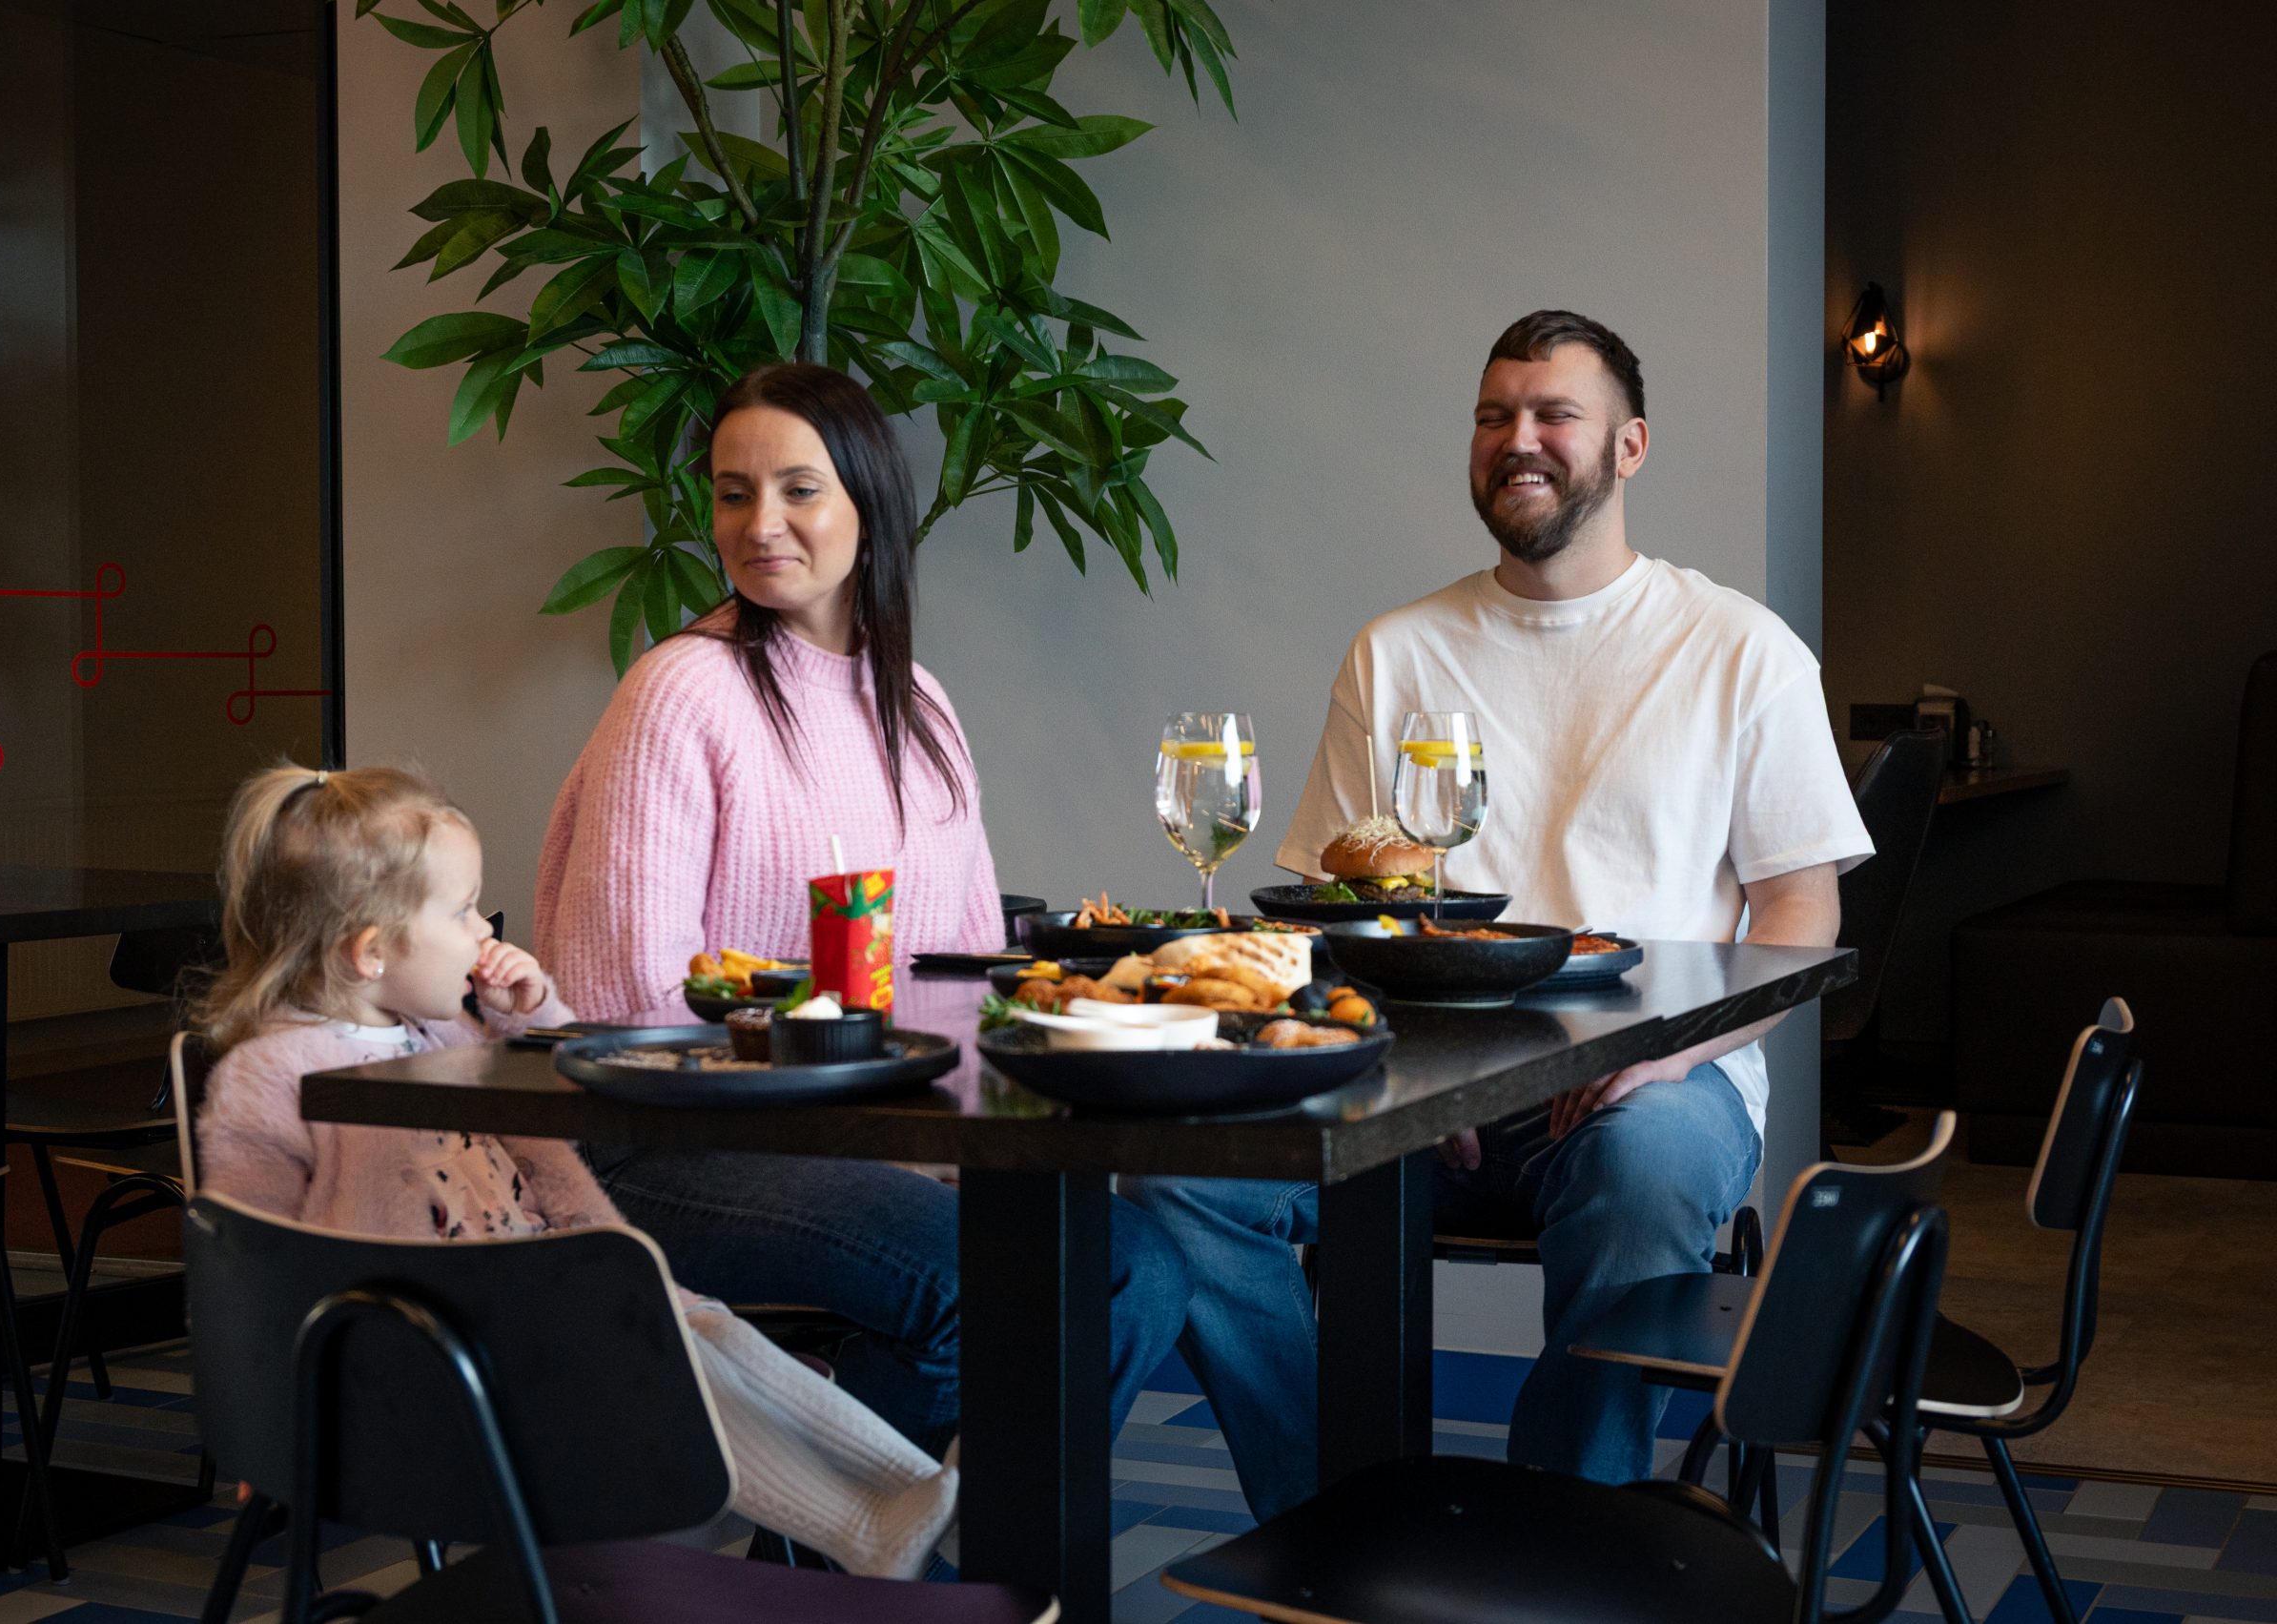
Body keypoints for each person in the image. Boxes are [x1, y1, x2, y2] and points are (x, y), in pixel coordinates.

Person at [1122, 310, 1873, 1518]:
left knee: (1643, 1170)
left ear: (1628, 446)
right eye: (1492, 416)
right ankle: (1339, 1515)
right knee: (1183, 1180)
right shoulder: (1397, 649)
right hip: (1419, 1085)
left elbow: (1800, 907)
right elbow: (1337, 905)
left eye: (1552, 415)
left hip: (1653, 1081)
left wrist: (1668, 1050)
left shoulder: (1739, 648)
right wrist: (1411, 1065)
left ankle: (1554, 1544)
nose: (1516, 439)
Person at [534, 362, 1188, 1451]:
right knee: (980, 1280)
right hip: (665, 1146)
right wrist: (869, 1139)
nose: (760, 523)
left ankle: (948, 1535)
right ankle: (869, 1534)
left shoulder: (918, 703)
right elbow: (627, 1010)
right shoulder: (680, 690)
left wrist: (957, 1137)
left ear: (869, 507)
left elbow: (968, 976)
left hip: (872, 1138)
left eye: (799, 489)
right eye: (733, 492)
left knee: (1141, 1269)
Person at [193, 763, 959, 1578]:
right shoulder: (273, 1072)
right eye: (461, 910)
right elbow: (248, 1264)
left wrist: (530, 1015)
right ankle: (870, 1529)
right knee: (672, 1357)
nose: (483, 934)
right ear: (371, 951)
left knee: (709, 1328)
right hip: (436, 1352)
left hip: (535, 1302)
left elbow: (563, 1098)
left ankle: (917, 1495)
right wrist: (263, 1412)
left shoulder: (440, 1032)